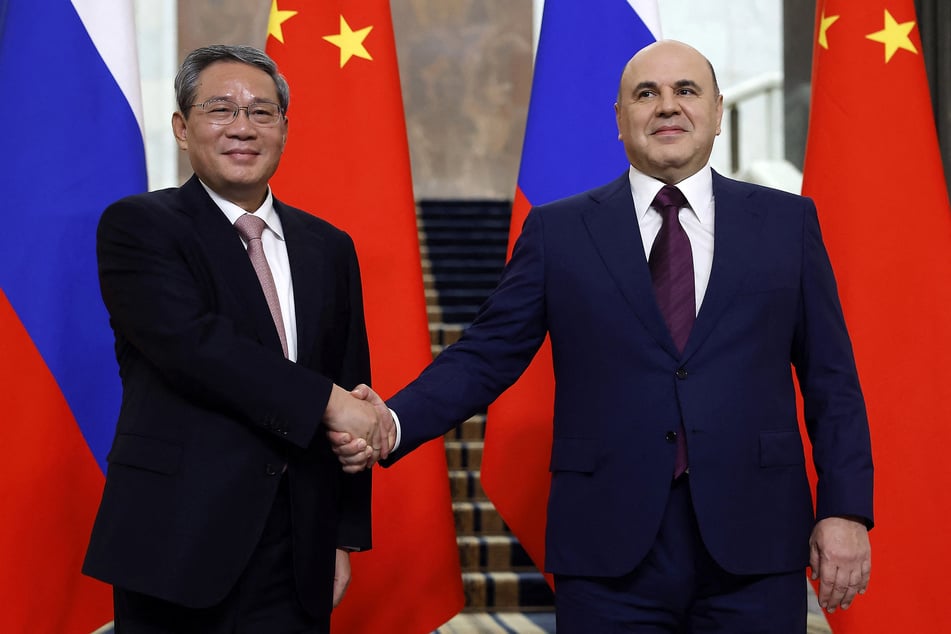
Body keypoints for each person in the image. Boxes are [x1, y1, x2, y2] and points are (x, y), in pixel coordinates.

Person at [335, 40, 873, 632]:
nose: (667, 106)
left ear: (718, 112)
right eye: (647, 94)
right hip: (608, 549)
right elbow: (487, 355)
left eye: (686, 91)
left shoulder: (786, 223)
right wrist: (395, 421)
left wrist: (844, 510)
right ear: (620, 120)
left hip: (757, 541)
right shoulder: (559, 231)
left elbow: (832, 382)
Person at [82, 45, 392, 633]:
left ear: (284, 127)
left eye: (262, 112)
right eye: (220, 109)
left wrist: (343, 537)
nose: (242, 127)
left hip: (297, 549)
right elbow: (196, 347)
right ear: (182, 127)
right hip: (176, 539)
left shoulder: (328, 246)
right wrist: (331, 403)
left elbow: (353, 377)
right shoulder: (139, 227)